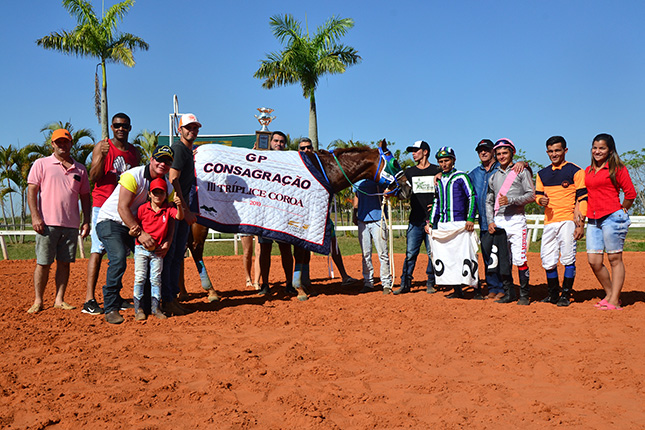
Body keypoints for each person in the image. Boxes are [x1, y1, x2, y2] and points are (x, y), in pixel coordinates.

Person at [95, 145, 176, 324]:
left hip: (135, 225)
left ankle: (149, 304)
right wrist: (140, 234)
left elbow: (170, 217)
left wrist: (168, 241)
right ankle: (111, 307)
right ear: (151, 159)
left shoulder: (167, 187)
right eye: (159, 159)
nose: (163, 164)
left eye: (168, 161)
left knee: (154, 255)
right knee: (118, 258)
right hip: (112, 221)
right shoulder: (134, 175)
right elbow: (122, 207)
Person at [26, 128, 91, 314]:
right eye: (59, 142)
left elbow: (85, 197)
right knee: (43, 263)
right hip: (47, 223)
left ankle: (59, 299)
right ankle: (38, 300)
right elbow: (32, 191)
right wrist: (35, 216)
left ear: (71, 143)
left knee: (64, 263)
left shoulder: (80, 169)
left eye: (66, 141)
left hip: (70, 225)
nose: (63, 145)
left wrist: (86, 221)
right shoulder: (41, 164)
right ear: (52, 144)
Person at [162, 113, 220, 312]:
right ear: (180, 130)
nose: (192, 131)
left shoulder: (187, 151)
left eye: (195, 128)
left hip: (180, 208)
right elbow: (173, 178)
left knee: (177, 254)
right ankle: (169, 298)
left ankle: (172, 296)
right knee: (173, 254)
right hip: (176, 210)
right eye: (188, 127)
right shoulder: (178, 149)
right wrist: (184, 210)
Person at [84, 112, 140, 315]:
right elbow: (93, 177)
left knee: (120, 254)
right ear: (112, 127)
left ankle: (115, 294)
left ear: (129, 128)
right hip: (102, 204)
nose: (120, 129)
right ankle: (89, 298)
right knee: (98, 251)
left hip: (123, 207)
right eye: (117, 125)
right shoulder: (103, 146)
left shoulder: (134, 152)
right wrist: (103, 157)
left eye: (124, 126)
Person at [469, 139, 527, 299]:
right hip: (485, 221)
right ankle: (493, 287)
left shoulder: (502, 168)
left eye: (486, 149)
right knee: (489, 255)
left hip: (504, 219)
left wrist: (524, 162)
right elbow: (469, 194)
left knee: (504, 256)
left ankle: (505, 288)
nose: (483, 152)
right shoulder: (474, 173)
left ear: (493, 151)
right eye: (480, 150)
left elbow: (519, 171)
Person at [584, 133, 636, 311]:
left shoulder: (617, 168)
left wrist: (622, 209)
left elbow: (630, 194)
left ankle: (614, 299)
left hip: (613, 217)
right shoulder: (588, 170)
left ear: (610, 150)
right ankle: (610, 294)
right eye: (595, 148)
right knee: (594, 261)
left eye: (602, 148)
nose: (597, 151)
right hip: (593, 219)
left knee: (614, 258)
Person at [535, 136, 587, 307]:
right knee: (547, 259)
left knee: (567, 258)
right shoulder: (542, 174)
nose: (554, 154)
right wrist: (539, 200)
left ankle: (565, 294)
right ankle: (553, 294)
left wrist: (580, 224)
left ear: (565, 150)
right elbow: (538, 195)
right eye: (550, 151)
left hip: (567, 220)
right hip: (549, 221)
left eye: (557, 150)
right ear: (547, 152)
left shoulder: (575, 171)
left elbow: (583, 198)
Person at [298, 137, 358, 286]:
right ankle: (304, 280)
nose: (306, 150)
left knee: (333, 245)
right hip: (302, 215)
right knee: (302, 250)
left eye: (309, 147)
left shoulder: (322, 167)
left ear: (313, 149)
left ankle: (344, 276)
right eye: (303, 148)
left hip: (322, 215)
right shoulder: (297, 168)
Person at [485, 139, 535, 305]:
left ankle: (524, 295)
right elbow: (489, 201)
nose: (501, 156)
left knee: (520, 259)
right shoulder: (493, 177)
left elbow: (531, 195)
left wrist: (512, 200)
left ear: (512, 153)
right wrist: (490, 221)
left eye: (505, 153)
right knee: (502, 260)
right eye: (498, 154)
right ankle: (509, 293)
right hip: (499, 221)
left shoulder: (521, 171)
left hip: (516, 220)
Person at [427, 147, 479, 299]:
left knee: (467, 256)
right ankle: (457, 290)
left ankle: (476, 289)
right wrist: (431, 222)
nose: (444, 164)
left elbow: (472, 196)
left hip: (460, 223)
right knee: (448, 257)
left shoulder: (461, 176)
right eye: (441, 161)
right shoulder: (439, 180)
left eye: (446, 160)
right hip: (444, 224)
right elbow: (436, 201)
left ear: (453, 160)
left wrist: (470, 218)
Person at [132, 177, 184, 320]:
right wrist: (133, 232)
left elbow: (179, 217)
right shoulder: (143, 209)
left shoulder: (168, 209)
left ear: (165, 195)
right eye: (155, 193)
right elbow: (135, 226)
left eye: (161, 193)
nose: (158, 196)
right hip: (141, 249)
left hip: (158, 251)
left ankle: (156, 308)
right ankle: (139, 309)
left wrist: (179, 206)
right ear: (149, 194)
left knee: (156, 279)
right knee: (140, 278)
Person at [394, 140, 441, 295]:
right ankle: (405, 283)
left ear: (425, 152)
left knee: (432, 253)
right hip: (415, 220)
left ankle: (431, 283)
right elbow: (403, 194)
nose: (413, 153)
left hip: (433, 221)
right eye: (412, 151)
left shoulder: (437, 170)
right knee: (410, 254)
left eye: (416, 150)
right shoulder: (409, 172)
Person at [257, 131, 295, 296]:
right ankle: (264, 284)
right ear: (270, 142)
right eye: (276, 141)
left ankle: (289, 283)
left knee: (285, 249)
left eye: (281, 142)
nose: (279, 144)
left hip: (283, 212)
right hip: (265, 212)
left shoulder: (290, 162)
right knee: (265, 249)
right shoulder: (261, 159)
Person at [353, 179, 393, 294]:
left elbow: (389, 189)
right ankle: (368, 282)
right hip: (362, 220)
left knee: (383, 253)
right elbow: (356, 196)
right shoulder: (358, 181)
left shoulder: (379, 180)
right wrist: (354, 213)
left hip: (378, 220)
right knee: (365, 254)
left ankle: (386, 283)